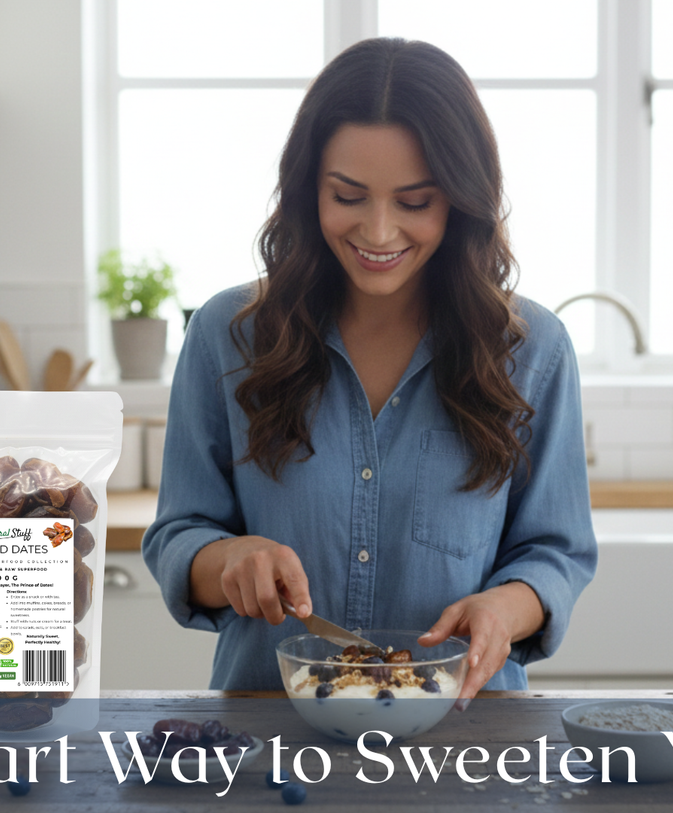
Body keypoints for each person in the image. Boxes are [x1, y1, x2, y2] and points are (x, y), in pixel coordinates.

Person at [141, 38, 595, 702]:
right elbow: (179, 533)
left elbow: (555, 552)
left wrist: (507, 606)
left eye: (415, 202)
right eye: (348, 196)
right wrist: (230, 559)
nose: (379, 233)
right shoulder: (227, 335)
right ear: (308, 190)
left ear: (460, 201)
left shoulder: (532, 348)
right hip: (268, 732)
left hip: (466, 736)